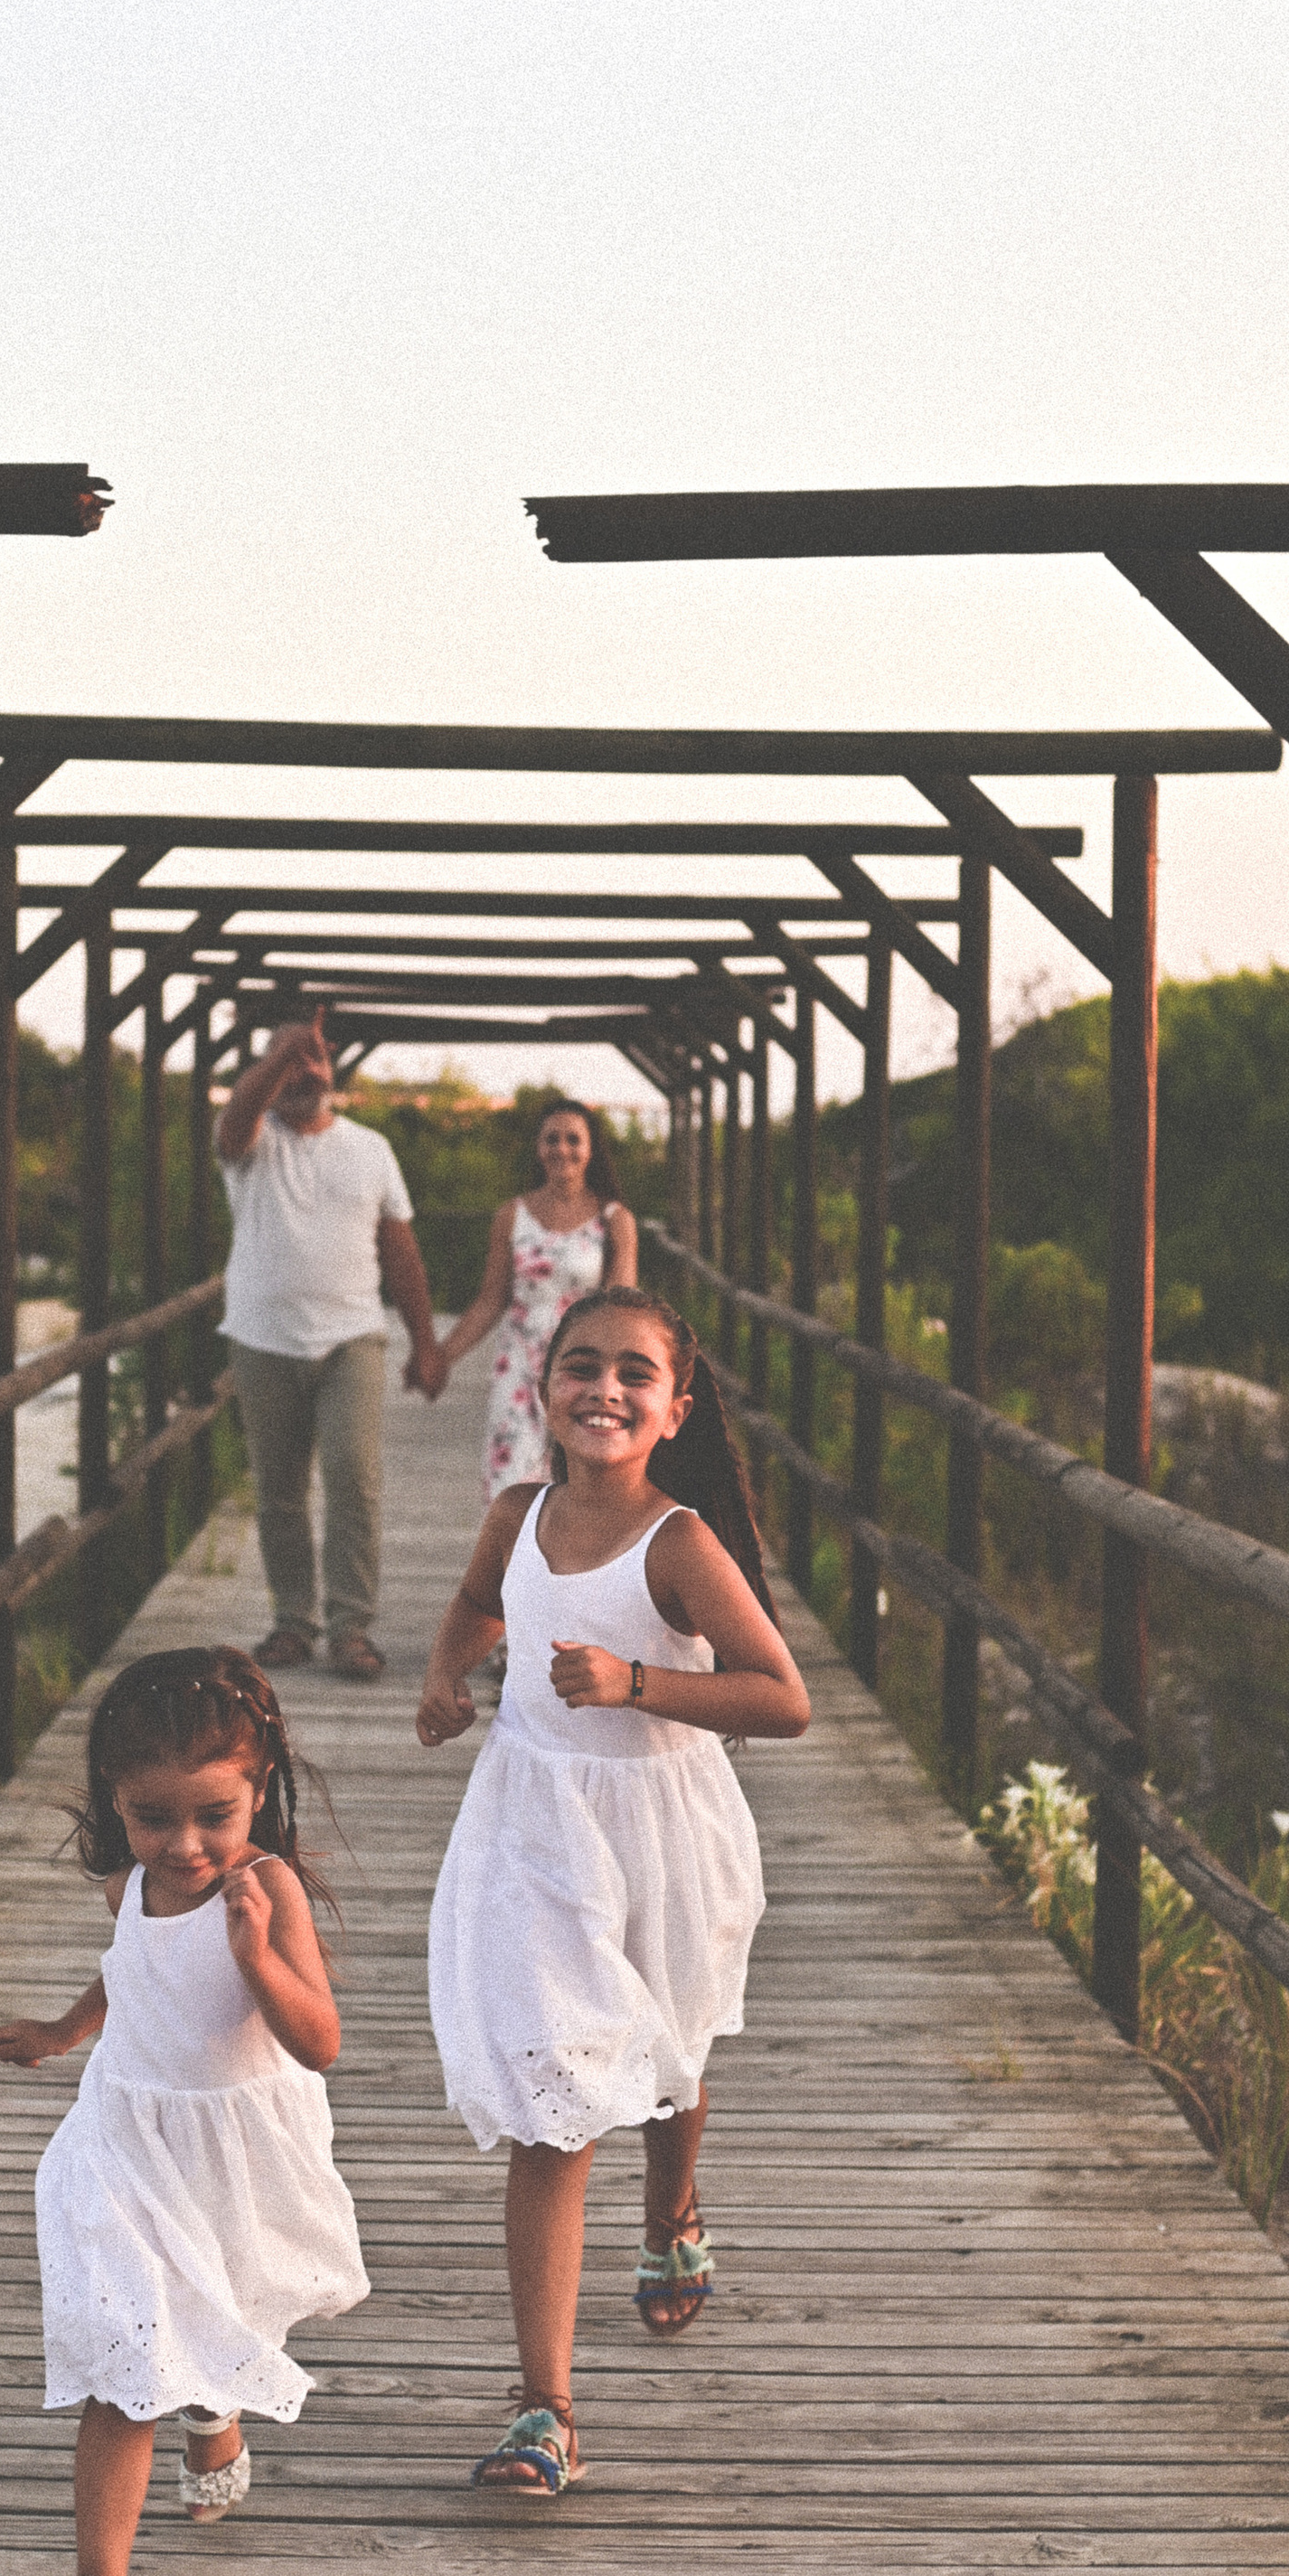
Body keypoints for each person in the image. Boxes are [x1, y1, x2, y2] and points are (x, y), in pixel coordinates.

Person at [414, 1287, 809, 2499]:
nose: (605, 1388)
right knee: (556, 2100)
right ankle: (547, 2408)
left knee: (671, 2057)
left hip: (663, 1830)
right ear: (543, 1388)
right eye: (580, 1365)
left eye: (635, 1372)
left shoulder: (680, 1543)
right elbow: (482, 1604)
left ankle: (671, 2205)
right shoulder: (516, 1515)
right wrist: (445, 1675)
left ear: (673, 1407)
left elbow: (782, 1696)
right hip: (535, 1825)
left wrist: (638, 1678)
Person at [0, 1647, 367, 2576]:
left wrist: (254, 1957)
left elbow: (320, 2039)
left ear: (258, 1792)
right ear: (117, 1800)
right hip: (124, 2138)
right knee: (125, 2355)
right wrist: (63, 2031)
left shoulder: (266, 1888)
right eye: (155, 1818)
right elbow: (129, 1976)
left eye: (214, 1815)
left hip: (232, 2144)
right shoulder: (128, 1885)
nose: (185, 1843)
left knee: (215, 2316)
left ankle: (219, 2411)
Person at [216, 1006, 447, 1681]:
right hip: (263, 1340)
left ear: (334, 1069)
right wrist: (281, 1052)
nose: (297, 1077)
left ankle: (351, 1627)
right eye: (283, 1066)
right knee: (279, 1489)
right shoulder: (249, 1143)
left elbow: (401, 1251)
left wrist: (425, 1343)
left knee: (353, 1479)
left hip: (352, 1338)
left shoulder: (370, 1148)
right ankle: (294, 1622)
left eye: (310, 1064)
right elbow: (236, 1121)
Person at [438, 1098, 639, 1503]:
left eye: (573, 1139)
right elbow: (491, 1301)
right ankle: (511, 1566)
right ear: (538, 1147)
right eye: (551, 1139)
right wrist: (438, 1358)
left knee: (576, 1489)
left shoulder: (614, 1219)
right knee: (510, 1488)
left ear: (591, 1149)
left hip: (581, 1371)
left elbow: (622, 1310)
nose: (562, 1149)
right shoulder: (513, 1215)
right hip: (519, 1370)